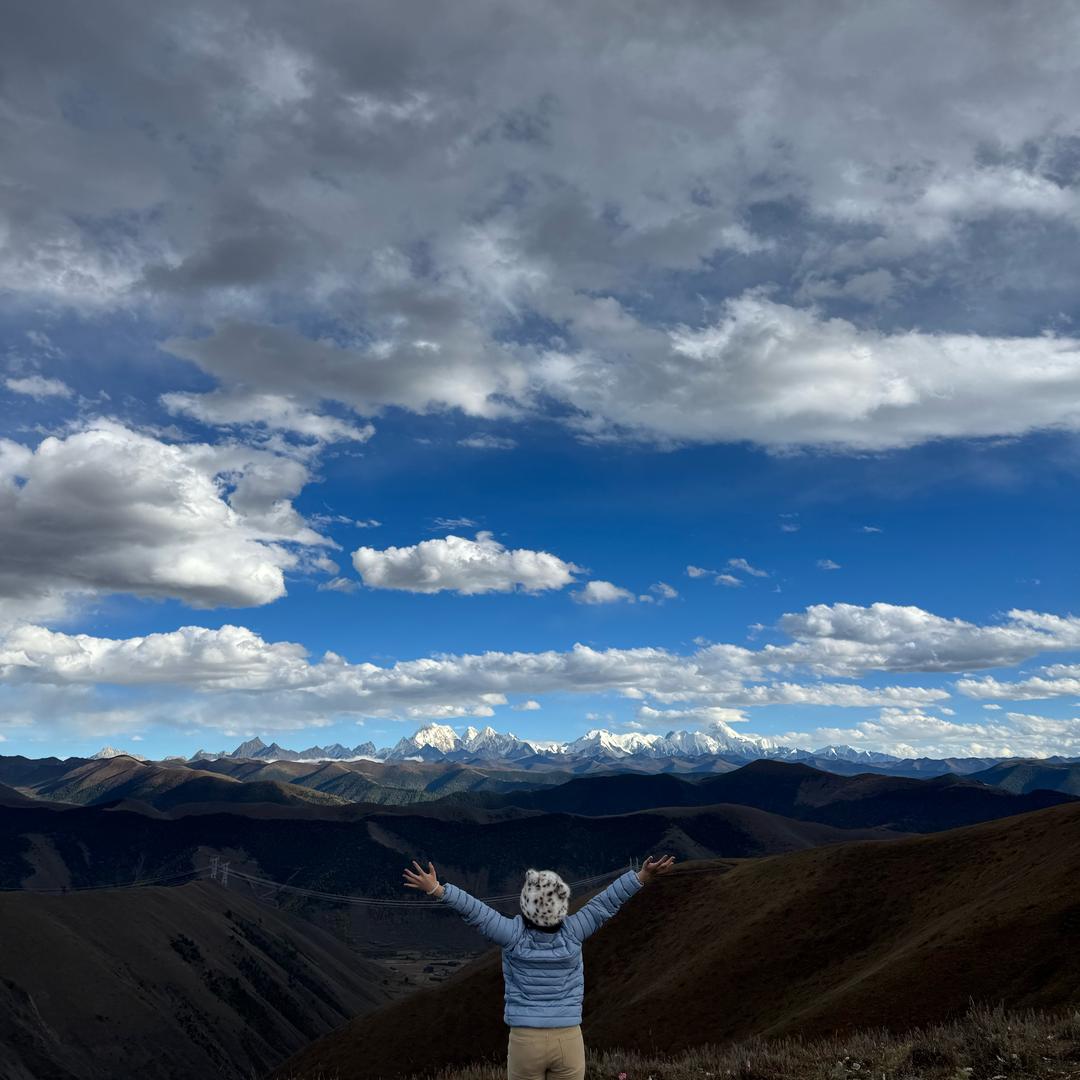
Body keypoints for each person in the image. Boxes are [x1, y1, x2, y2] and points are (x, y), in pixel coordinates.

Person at [402, 855, 676, 1080]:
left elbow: (475, 912)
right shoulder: (574, 931)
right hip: (568, 1040)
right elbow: (605, 903)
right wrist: (641, 877)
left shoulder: (512, 935)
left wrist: (437, 889)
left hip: (525, 1041)